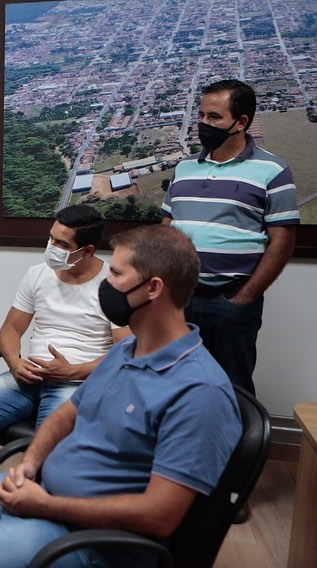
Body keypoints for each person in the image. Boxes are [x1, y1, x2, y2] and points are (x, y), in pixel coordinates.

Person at [0, 225, 242, 568]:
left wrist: (48, 505)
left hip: (89, 540)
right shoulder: (127, 351)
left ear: (153, 288)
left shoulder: (200, 392)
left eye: (116, 275)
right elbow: (66, 416)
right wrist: (29, 465)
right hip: (43, 496)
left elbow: (159, 516)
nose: (106, 283)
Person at [162, 80, 300, 522]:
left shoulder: (272, 170)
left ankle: (231, 492)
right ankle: (174, 485)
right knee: (174, 391)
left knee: (231, 394)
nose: (202, 124)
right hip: (177, 303)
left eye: (214, 117)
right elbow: (166, 233)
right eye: (201, 115)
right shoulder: (183, 170)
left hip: (230, 301)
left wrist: (245, 296)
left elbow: (282, 241)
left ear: (242, 122)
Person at [0, 204, 130, 476]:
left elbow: (126, 352)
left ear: (88, 250)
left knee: (44, 455)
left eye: (61, 243)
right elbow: (10, 329)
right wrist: (14, 362)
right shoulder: (37, 274)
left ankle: (29, 514)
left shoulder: (112, 286)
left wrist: (73, 371)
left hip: (77, 384)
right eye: (51, 238)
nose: (51, 246)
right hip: (27, 377)